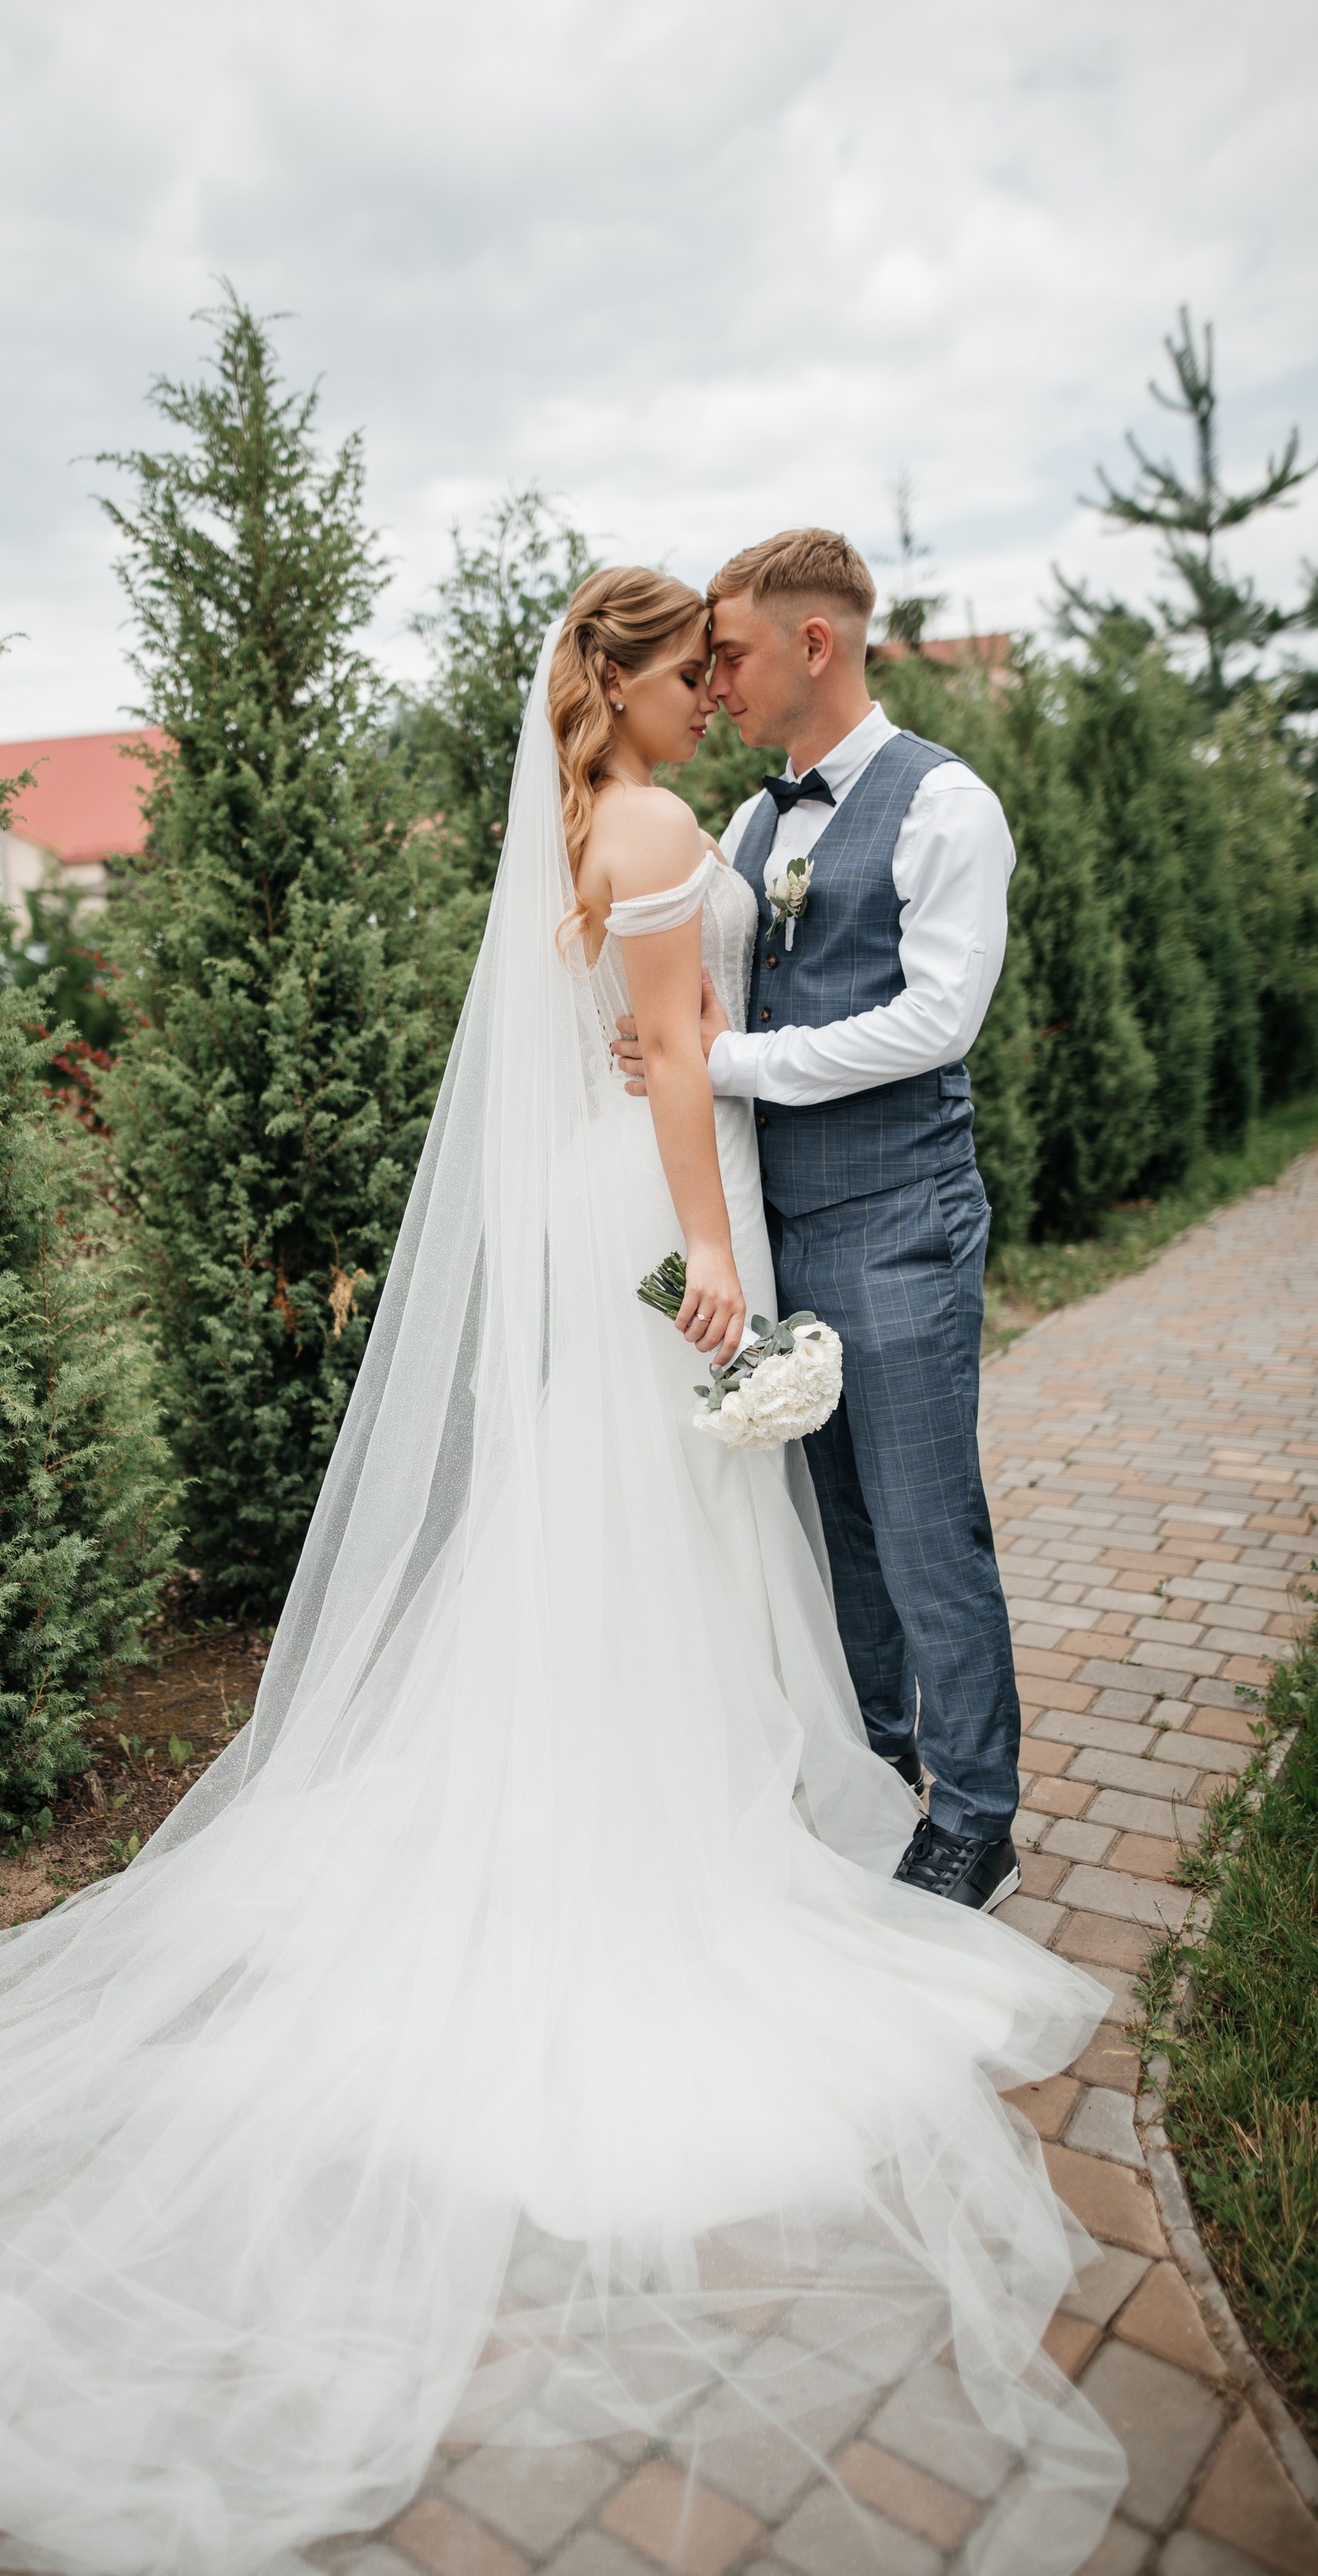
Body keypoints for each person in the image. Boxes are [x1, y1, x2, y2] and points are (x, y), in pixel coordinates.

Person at [0, 574, 1122, 2576]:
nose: (714, 693)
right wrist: (724, 1259)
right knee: (679, 1545)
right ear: (636, 680)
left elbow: (679, 1036)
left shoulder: (613, 823)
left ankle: (663, 1807)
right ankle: (674, 1858)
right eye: (693, 671)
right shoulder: (671, 825)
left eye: (730, 666)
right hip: (680, 1204)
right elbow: (675, 1062)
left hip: (647, 1194)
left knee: (635, 1552)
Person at [613, 529, 1023, 1914]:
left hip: (898, 1215)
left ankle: (972, 1816)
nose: (710, 678)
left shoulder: (942, 806)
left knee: (922, 1529)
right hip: (773, 1225)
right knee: (822, 1528)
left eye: (726, 651)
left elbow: (932, 1022)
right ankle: (868, 1769)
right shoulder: (742, 821)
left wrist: (726, 1065)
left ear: (813, 643)